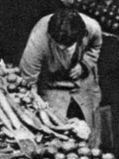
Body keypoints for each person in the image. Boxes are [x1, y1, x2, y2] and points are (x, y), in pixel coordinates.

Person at [19, 8, 103, 147]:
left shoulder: (92, 28)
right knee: (53, 126)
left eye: (68, 45)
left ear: (82, 36)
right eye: (59, 45)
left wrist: (84, 65)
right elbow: (28, 78)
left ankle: (93, 152)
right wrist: (34, 96)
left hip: (82, 78)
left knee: (90, 124)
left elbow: (95, 48)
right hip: (52, 80)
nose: (63, 48)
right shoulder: (39, 37)